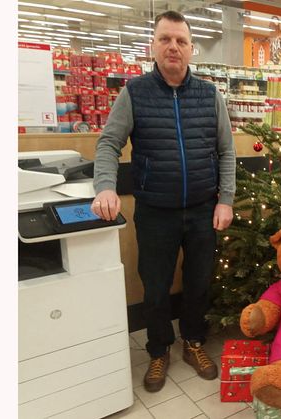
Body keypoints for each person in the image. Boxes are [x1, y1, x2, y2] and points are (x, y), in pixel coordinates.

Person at [91, 10, 236, 393]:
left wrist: (226, 200)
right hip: (155, 211)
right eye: (166, 39)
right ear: (153, 46)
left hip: (204, 208)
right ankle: (159, 350)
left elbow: (226, 152)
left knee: (199, 282)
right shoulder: (135, 93)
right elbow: (108, 143)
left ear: (191, 49)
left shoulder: (209, 95)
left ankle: (193, 342)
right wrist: (105, 186)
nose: (174, 47)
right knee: (155, 287)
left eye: (181, 41)